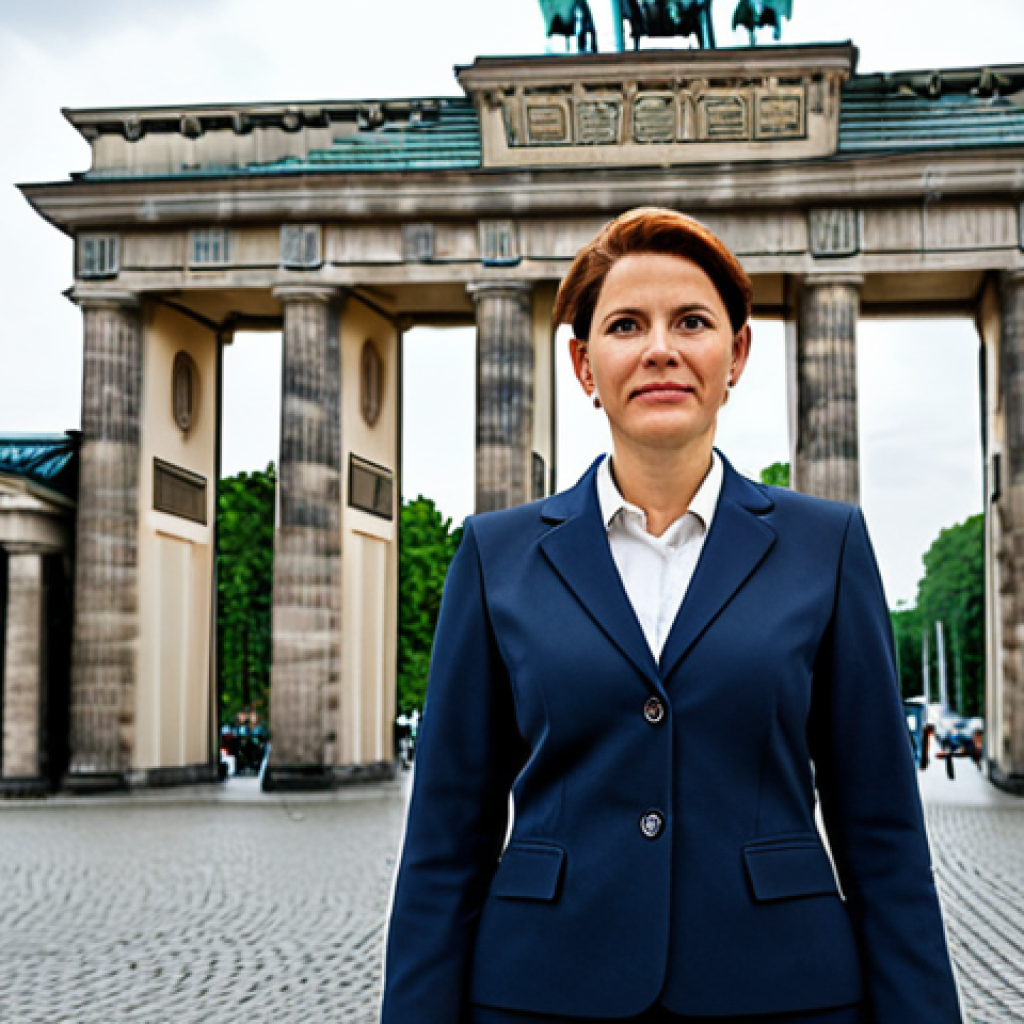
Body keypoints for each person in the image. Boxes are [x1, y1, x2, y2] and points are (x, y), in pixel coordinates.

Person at [380, 208, 963, 1024]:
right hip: (541, 993)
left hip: (782, 991)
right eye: (626, 325)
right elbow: (445, 843)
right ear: (585, 365)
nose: (660, 348)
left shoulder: (825, 546)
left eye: (692, 321)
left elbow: (884, 838)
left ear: (737, 354)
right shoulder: (495, 555)